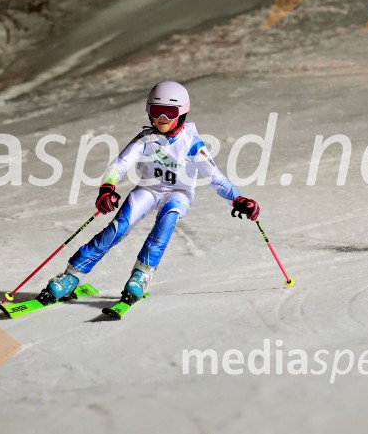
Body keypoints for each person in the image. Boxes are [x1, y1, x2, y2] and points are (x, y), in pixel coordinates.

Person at [36, 81, 261, 309]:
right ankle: (71, 276)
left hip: (178, 193)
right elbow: (119, 164)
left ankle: (140, 276)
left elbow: (216, 178)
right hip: (148, 189)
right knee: (117, 229)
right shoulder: (146, 140)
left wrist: (238, 199)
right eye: (156, 111)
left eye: (169, 112)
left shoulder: (192, 144)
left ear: (182, 113)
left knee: (164, 226)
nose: (162, 118)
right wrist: (107, 188)